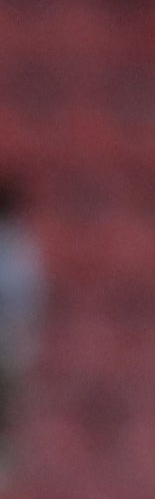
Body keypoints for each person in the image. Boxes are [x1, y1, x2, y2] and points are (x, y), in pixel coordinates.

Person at [0, 181, 43, 483]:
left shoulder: (20, 250)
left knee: (8, 404)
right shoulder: (23, 250)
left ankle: (6, 463)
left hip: (9, 342)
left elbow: (28, 301)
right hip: (12, 342)